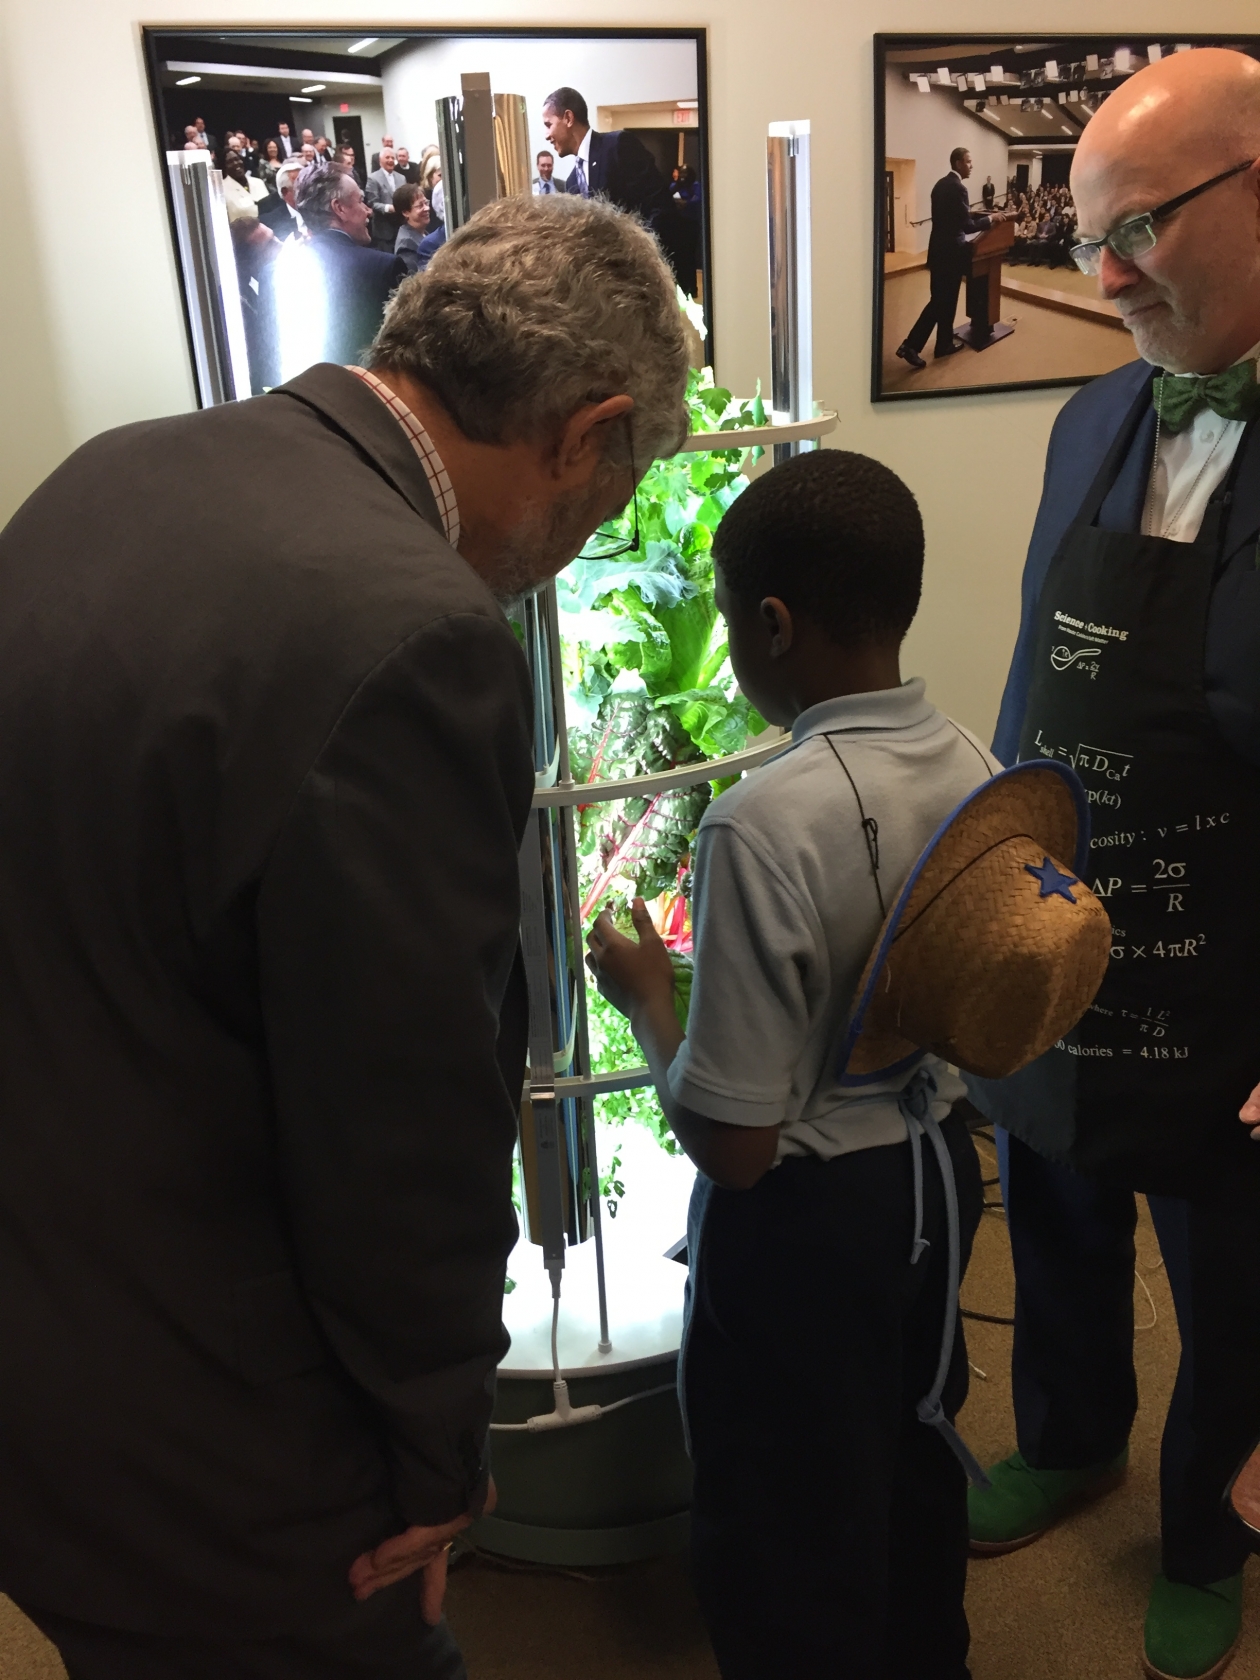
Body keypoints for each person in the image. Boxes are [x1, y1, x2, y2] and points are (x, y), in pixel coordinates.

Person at [0, 191, 689, 1680]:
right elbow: (402, 1138)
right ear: (588, 431)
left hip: (49, 1351)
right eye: (611, 498)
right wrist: (441, 1460)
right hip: (233, 1448)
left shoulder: (107, 473)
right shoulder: (416, 635)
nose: (580, 545)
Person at [586, 448, 1005, 1679]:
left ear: (770, 623)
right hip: (936, 1178)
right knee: (913, 1448)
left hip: (808, 1228)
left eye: (726, 622)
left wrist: (654, 1002)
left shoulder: (763, 820)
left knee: (782, 1520)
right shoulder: (977, 764)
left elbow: (737, 1144)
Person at [967, 47, 1260, 1680]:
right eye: (1085, 233)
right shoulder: (1091, 414)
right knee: (1058, 1200)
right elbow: (1041, 669)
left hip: (1245, 974)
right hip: (1076, 932)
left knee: (1235, 1281)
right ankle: (1070, 1434)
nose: (1103, 271)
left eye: (1137, 221)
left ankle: (1213, 1525)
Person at [276, 163, 406, 369]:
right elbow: (403, 353)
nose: (368, 211)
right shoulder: (383, 268)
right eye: (361, 201)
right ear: (339, 208)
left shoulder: (279, 271)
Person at [897, 148, 1008, 369]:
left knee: (945, 301)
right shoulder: (959, 188)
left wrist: (971, 215)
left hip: (938, 251)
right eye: (968, 162)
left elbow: (951, 218)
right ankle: (910, 345)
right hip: (951, 254)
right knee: (940, 303)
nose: (971, 166)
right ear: (958, 164)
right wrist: (991, 218)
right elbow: (966, 226)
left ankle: (944, 344)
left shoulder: (940, 185)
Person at [366, 149, 407, 252]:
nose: (390, 160)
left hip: (401, 228)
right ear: (380, 161)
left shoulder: (402, 178)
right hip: (383, 230)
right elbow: (371, 203)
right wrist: (389, 208)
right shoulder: (373, 178)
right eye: (387, 157)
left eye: (393, 158)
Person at [392, 181, 431, 273]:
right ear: (405, 212)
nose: (427, 208)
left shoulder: (422, 232)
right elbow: (415, 279)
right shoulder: (406, 245)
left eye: (426, 203)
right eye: (420, 205)